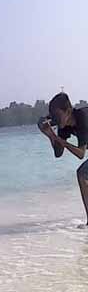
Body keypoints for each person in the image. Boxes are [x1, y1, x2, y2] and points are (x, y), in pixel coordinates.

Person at [39, 93, 88, 227]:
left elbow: (80, 154)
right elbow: (58, 153)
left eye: (57, 115)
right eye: (52, 116)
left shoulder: (83, 117)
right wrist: (50, 135)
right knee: (82, 174)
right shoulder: (64, 126)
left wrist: (57, 139)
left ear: (68, 111)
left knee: (83, 174)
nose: (54, 119)